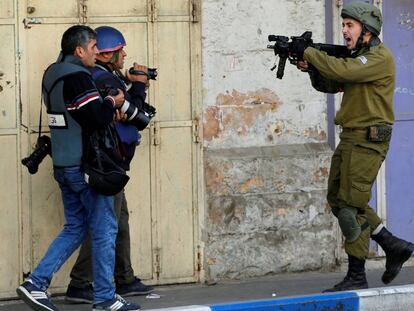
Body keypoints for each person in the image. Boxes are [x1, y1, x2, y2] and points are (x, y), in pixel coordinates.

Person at [16, 25, 140, 311]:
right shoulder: (79, 78)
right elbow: (95, 117)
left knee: (76, 227)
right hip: (86, 167)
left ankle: (36, 283)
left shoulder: (52, 73)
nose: (97, 52)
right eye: (94, 46)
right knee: (105, 229)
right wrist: (113, 100)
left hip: (63, 163)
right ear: (79, 50)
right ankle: (105, 299)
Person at [295, 1, 414, 292]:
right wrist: (310, 67)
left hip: (368, 139)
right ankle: (391, 243)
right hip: (351, 136)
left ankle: (357, 275)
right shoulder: (356, 58)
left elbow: (344, 72)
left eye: (350, 25)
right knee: (338, 199)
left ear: (367, 31)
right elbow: (331, 83)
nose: (344, 30)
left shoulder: (377, 58)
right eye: (343, 24)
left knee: (350, 206)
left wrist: (309, 51)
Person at [65, 25, 154, 304]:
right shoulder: (102, 79)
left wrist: (128, 82)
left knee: (119, 221)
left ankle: (124, 278)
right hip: (105, 166)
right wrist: (138, 86)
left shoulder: (102, 76)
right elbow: (138, 116)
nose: (125, 54)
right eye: (120, 50)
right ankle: (80, 283)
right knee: (104, 224)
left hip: (112, 165)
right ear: (105, 54)